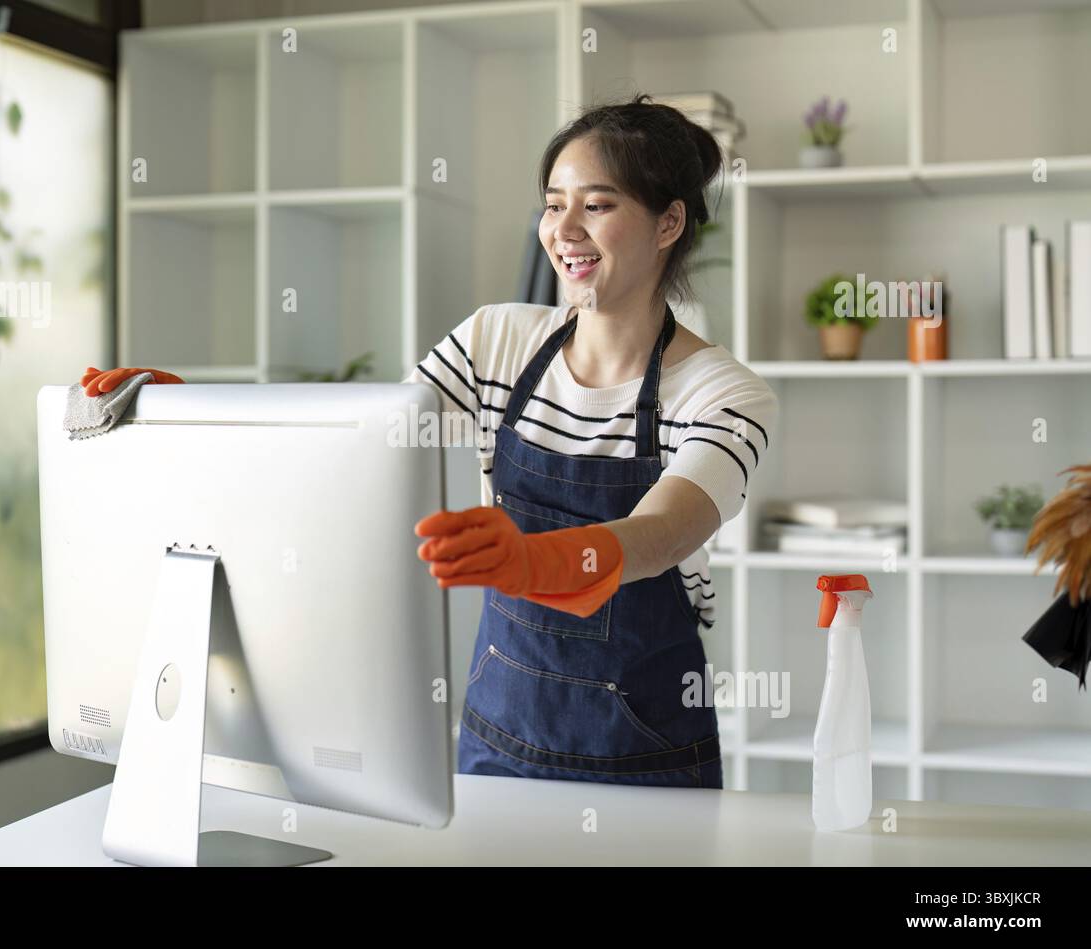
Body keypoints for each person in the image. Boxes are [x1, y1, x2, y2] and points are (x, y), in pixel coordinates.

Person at [80, 94, 779, 790]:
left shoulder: (725, 393)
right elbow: (364, 448)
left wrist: (531, 561)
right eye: (552, 204)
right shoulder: (496, 341)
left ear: (668, 223)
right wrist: (187, 410)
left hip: (647, 751)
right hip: (497, 731)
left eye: (596, 206)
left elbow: (662, 533)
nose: (564, 230)